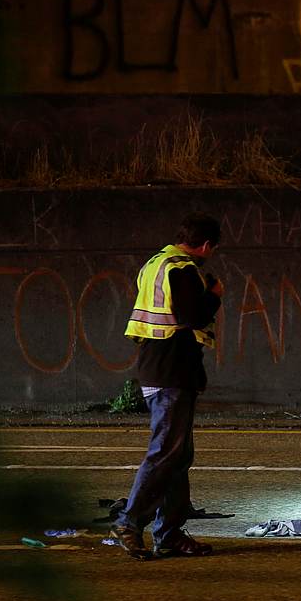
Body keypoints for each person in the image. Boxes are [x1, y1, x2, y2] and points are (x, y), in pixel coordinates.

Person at [110, 213, 223, 560]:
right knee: (166, 453)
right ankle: (129, 522)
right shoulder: (183, 269)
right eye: (212, 249)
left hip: (160, 367)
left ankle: (170, 533)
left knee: (178, 456)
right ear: (205, 245)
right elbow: (192, 317)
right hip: (171, 370)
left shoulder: (154, 264)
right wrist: (215, 294)